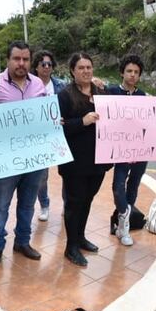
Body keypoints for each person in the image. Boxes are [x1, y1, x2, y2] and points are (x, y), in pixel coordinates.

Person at [0, 42, 47, 266]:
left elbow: (47, 114)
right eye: (17, 59)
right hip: (5, 159)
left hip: (34, 158)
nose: (21, 63)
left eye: (25, 59)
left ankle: (22, 242)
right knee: (0, 205)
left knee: (27, 204)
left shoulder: (38, 84)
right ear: (8, 60)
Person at [57, 52, 110, 267]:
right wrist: (83, 121)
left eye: (89, 67)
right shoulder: (65, 95)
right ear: (72, 71)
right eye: (81, 68)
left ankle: (80, 237)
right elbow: (59, 128)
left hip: (98, 161)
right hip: (74, 162)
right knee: (74, 204)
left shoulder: (101, 92)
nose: (86, 71)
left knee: (87, 201)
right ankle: (71, 247)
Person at [106, 54, 156, 247]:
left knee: (134, 186)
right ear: (122, 72)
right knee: (117, 186)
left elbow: (150, 123)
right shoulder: (111, 92)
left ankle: (125, 227)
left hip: (140, 150)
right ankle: (124, 215)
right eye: (129, 71)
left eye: (136, 72)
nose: (132, 75)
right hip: (121, 150)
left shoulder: (143, 97)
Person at [32, 50, 67, 222]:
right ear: (36, 67)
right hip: (39, 137)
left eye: (49, 64)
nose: (46, 67)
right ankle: (44, 204)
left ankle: (67, 203)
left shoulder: (61, 85)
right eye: (43, 64)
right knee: (42, 176)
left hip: (60, 134)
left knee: (67, 172)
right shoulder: (30, 85)